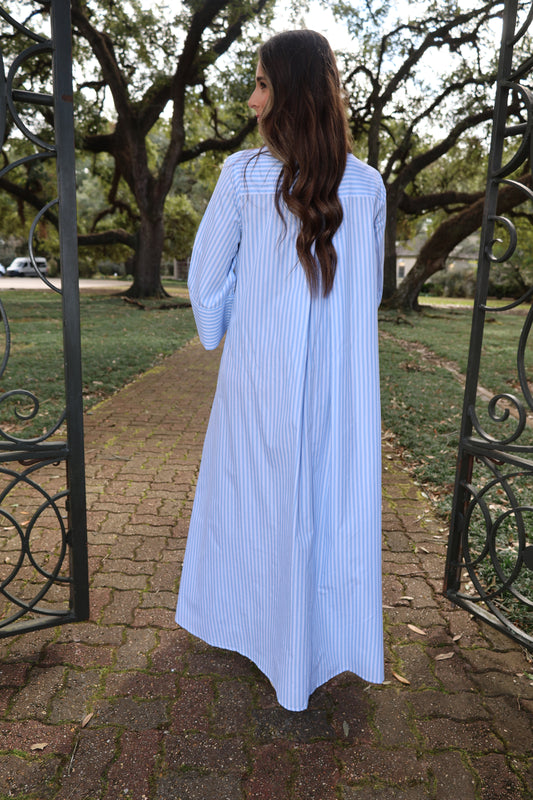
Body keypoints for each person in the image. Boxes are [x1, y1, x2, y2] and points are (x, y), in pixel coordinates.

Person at [175, 29, 386, 712]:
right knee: (331, 502)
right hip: (342, 387)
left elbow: (205, 279)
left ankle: (256, 628)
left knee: (257, 499)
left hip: (259, 377)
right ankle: (324, 639)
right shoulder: (368, 184)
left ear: (291, 93)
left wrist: (222, 330)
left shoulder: (242, 175)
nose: (251, 100)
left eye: (262, 83)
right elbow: (369, 294)